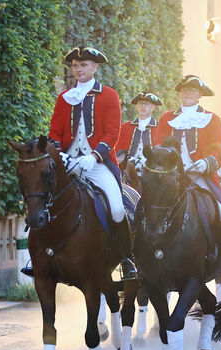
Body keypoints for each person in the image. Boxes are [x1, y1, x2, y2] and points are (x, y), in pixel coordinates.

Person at [48, 46, 137, 280]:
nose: (79, 69)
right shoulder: (64, 97)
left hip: (97, 164)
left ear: (94, 67)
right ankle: (42, 254)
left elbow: (112, 132)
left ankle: (127, 259)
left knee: (117, 208)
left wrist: (94, 156)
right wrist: (60, 153)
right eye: (75, 66)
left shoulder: (109, 95)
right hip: (67, 163)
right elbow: (55, 131)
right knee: (44, 199)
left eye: (84, 65)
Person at [155, 75, 221, 280]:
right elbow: (158, 144)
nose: (188, 93)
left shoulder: (211, 119)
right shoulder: (166, 118)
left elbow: (217, 152)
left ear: (200, 95)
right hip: (172, 176)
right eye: (184, 89)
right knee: (149, 205)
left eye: (193, 90)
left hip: (199, 175)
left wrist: (206, 163)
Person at [114, 91, 162, 175]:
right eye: (140, 104)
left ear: (153, 107)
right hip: (127, 171)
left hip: (151, 171)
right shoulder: (126, 126)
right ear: (137, 106)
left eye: (147, 104)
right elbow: (118, 148)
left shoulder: (159, 127)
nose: (143, 107)